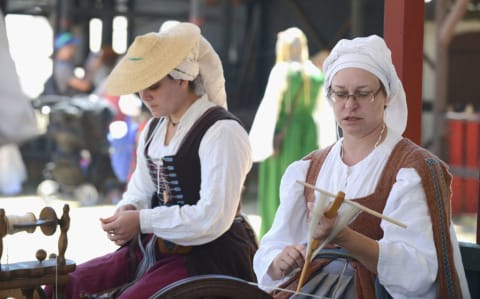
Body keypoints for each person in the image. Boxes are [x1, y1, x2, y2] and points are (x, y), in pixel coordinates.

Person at [45, 21, 257, 299]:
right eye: (140, 88)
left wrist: (143, 220)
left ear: (182, 78)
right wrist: (129, 207)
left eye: (154, 86)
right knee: (63, 286)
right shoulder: (155, 129)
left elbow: (211, 217)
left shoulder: (221, 132)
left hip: (208, 259)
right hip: (156, 249)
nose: (145, 96)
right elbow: (142, 187)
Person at [253, 35, 470, 298]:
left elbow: (417, 274)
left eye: (363, 94)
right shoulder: (308, 168)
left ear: (386, 95)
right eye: (340, 94)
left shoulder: (411, 169)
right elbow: (273, 245)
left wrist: (345, 237)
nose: (350, 104)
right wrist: (280, 261)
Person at [249, 27, 336, 237]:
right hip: (309, 138)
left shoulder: (281, 72)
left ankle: (275, 234)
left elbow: (269, 109)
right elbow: (324, 113)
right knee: (305, 185)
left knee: (280, 186)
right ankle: (301, 231)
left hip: (284, 139)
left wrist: (260, 144)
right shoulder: (316, 74)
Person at [48, 32, 93, 96]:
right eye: (71, 47)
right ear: (62, 49)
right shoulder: (62, 68)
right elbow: (85, 87)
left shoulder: (66, 64)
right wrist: (92, 67)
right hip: (68, 102)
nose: (73, 50)